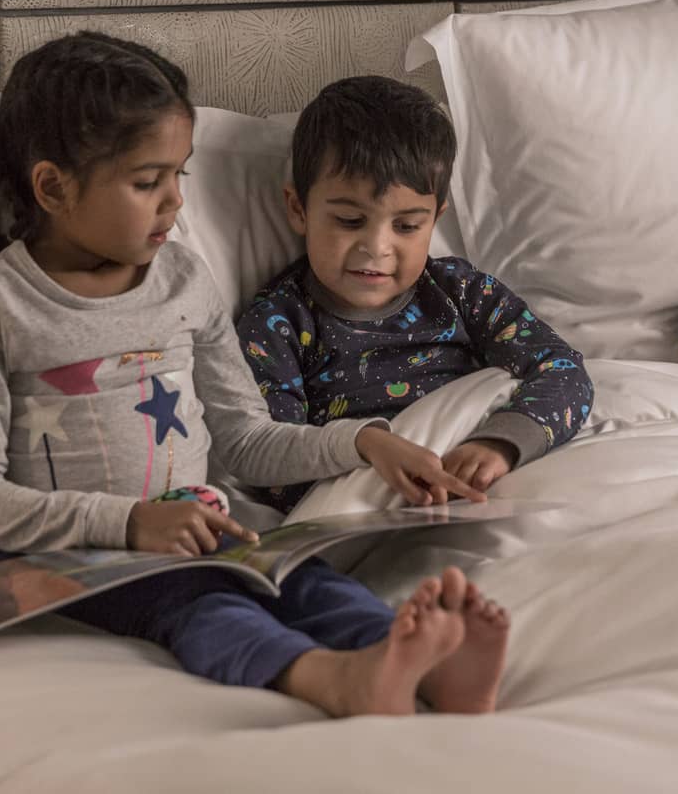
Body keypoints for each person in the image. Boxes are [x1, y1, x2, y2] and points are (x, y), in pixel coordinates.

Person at [0, 32, 507, 716]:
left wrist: (361, 441)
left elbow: (244, 438)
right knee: (202, 606)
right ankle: (332, 680)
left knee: (307, 583)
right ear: (54, 186)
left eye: (180, 174)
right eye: (148, 182)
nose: (175, 202)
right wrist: (131, 523)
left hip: (204, 528)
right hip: (75, 558)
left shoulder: (183, 279)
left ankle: (422, 667)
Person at [237, 76, 594, 510]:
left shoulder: (461, 292)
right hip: (372, 499)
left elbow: (564, 371)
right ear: (299, 210)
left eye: (406, 226)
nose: (377, 248)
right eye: (350, 220)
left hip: (477, 483)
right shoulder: (278, 324)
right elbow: (269, 459)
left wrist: (500, 445)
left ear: (434, 220)